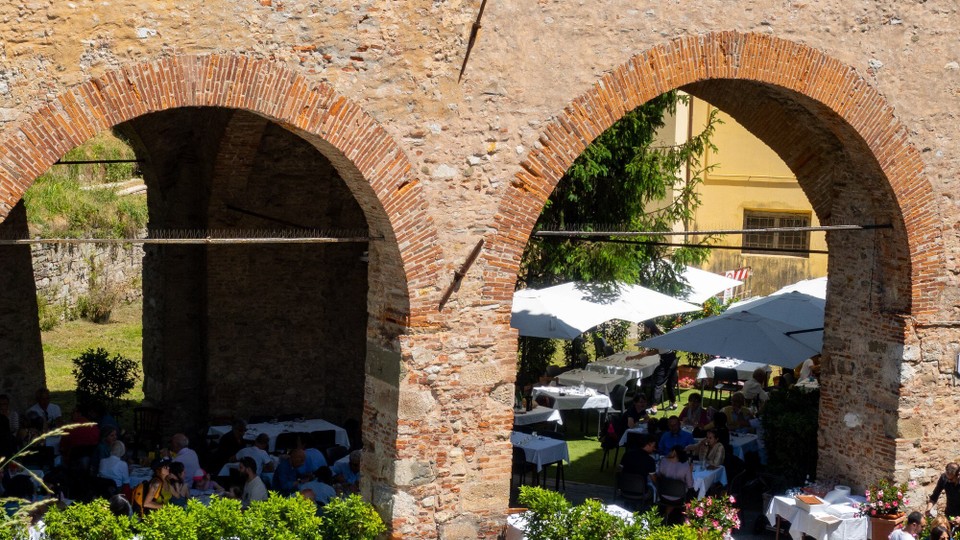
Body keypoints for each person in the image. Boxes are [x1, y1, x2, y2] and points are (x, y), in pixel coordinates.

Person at [645, 323, 679, 412]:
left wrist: (637, 356)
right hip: (673, 359)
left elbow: (648, 350)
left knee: (658, 383)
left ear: (649, 327)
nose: (644, 330)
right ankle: (674, 403)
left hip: (667, 361)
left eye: (645, 327)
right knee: (670, 384)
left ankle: (654, 407)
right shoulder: (660, 333)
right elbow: (657, 351)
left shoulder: (654, 337)